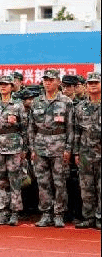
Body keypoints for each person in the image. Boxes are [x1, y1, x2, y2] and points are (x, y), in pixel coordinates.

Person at [28, 68, 73, 228]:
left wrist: (68, 149)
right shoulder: (36, 102)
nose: (47, 83)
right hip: (40, 146)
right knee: (43, 182)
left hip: (59, 146)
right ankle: (46, 213)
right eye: (45, 80)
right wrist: (32, 148)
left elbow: (70, 127)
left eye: (51, 80)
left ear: (58, 82)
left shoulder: (66, 102)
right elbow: (31, 127)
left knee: (59, 182)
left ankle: (59, 213)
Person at [0, 75, 27, 226]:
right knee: (0, 181)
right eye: (0, 84)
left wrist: (24, 149)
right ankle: (3, 211)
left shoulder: (18, 105)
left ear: (11, 87)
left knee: (14, 180)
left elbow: (24, 128)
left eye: (6, 84)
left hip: (14, 146)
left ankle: (15, 212)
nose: (3, 87)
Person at [73, 71, 101, 229]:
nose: (93, 85)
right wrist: (76, 152)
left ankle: (100, 218)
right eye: (90, 83)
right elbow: (77, 131)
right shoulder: (80, 107)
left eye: (96, 82)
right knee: (86, 187)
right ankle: (89, 217)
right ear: (86, 86)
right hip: (85, 153)